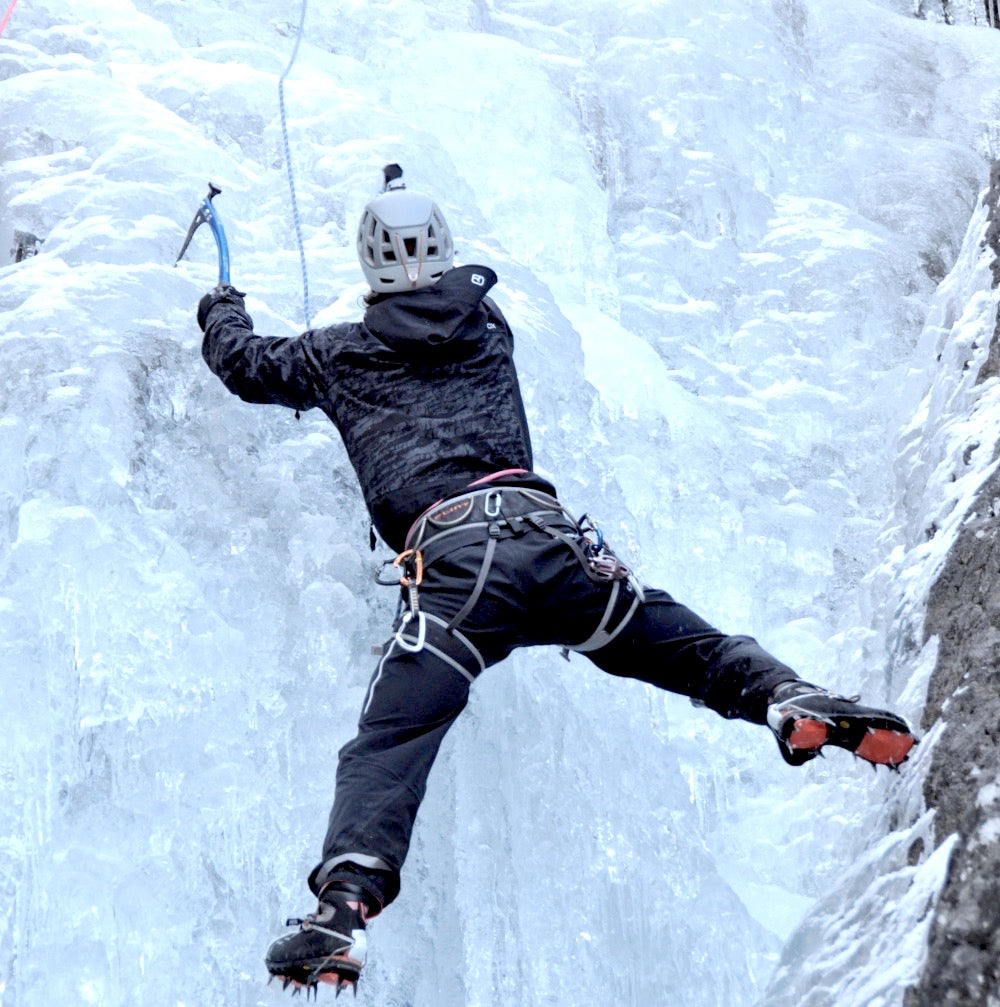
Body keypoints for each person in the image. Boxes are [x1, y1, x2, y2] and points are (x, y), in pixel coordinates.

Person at [197, 163, 917, 995]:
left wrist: (223, 303)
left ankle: (343, 907)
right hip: (559, 546)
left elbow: (244, 364)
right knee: (685, 645)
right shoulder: (487, 323)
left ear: (368, 265)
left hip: (458, 574)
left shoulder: (339, 353)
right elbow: (432, 314)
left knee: (390, 741)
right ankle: (785, 697)